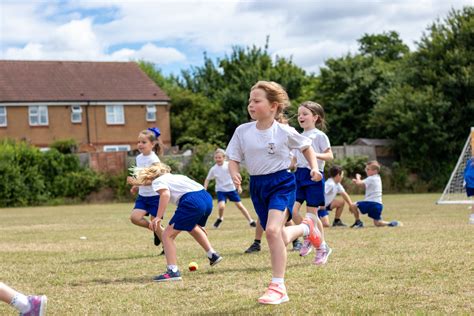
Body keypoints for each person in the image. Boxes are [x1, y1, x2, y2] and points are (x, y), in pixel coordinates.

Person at [227, 80, 323, 305]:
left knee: (271, 231)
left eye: (257, 101)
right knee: (278, 234)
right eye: (250, 100)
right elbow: (233, 158)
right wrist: (234, 174)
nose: (251, 105)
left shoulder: (283, 131)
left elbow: (306, 147)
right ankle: (307, 227)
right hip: (258, 186)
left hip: (282, 182)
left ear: (274, 106)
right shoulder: (242, 131)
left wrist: (315, 167)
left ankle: (278, 286)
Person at [129, 162, 223, 282]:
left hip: (191, 202)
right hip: (206, 198)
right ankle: (213, 255)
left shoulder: (158, 181)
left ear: (151, 176)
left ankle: (172, 271)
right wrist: (200, 223)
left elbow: (165, 194)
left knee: (167, 235)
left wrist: (158, 217)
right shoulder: (179, 176)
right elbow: (199, 192)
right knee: (192, 226)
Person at [291, 101, 333, 265]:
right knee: (293, 211)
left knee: (312, 216)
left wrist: (313, 154)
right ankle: (308, 236)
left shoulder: (320, 135)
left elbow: (329, 156)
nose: (300, 117)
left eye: (305, 114)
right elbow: (294, 159)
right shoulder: (297, 136)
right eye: (299, 114)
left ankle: (322, 248)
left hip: (314, 175)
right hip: (298, 175)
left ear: (315, 117)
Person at [127, 128, 164, 254]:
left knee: (156, 223)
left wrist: (136, 182)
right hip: (143, 196)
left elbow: (155, 180)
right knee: (134, 218)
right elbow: (142, 176)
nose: (140, 145)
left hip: (155, 196)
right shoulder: (139, 158)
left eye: (143, 142)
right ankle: (154, 229)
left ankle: (167, 246)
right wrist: (136, 186)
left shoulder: (154, 160)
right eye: (139, 142)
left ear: (152, 144)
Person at [204, 148, 256, 228]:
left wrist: (239, 186)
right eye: (216, 158)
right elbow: (207, 179)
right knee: (221, 206)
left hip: (231, 189)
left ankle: (251, 221)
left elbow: (235, 176)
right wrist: (204, 189)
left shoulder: (228, 166)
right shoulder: (213, 169)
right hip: (221, 190)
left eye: (219, 157)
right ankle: (220, 218)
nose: (218, 159)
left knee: (240, 206)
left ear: (224, 158)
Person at [349, 161, 402, 227]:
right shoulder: (377, 177)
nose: (366, 171)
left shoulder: (371, 178)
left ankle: (358, 222)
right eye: (366, 169)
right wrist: (357, 182)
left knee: (353, 205)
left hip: (371, 203)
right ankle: (392, 223)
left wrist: (358, 177)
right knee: (377, 223)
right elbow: (363, 185)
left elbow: (360, 183)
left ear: (375, 171)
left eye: (368, 169)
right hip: (378, 205)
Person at [464, 157, 474, 223]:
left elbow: (465, 173)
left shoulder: (470, 161)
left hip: (469, 183)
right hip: (471, 183)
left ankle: (472, 217)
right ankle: (472, 217)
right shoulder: (470, 161)